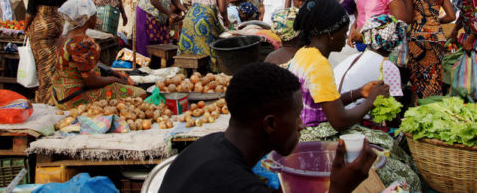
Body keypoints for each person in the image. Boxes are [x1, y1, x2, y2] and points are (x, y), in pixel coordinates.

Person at [159, 62, 377, 193]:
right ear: (271, 124)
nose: (301, 125)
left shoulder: (208, 145)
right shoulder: (240, 186)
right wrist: (339, 190)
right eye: (297, 116)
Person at [288, 0, 389, 133]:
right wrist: (371, 100)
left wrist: (359, 93)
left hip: (302, 132)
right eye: (344, 32)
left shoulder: (304, 53)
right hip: (314, 137)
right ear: (331, 35)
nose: (346, 36)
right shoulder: (319, 64)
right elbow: (339, 121)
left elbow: (325, 102)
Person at [52, 0, 145, 110]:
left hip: (61, 94)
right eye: (95, 14)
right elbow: (91, 82)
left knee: (121, 75)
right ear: (89, 18)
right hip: (76, 99)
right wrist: (114, 80)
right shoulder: (82, 43)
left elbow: (85, 65)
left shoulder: (65, 37)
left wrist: (112, 72)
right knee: (139, 93)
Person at [403, 0, 455, 101]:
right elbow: (451, 16)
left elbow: (407, 19)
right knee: (434, 78)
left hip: (418, 41)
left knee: (418, 79)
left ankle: (419, 108)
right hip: (437, 40)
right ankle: (435, 107)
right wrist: (435, 21)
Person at [24, 0, 70, 104]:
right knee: (54, 64)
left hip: (40, 25)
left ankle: (44, 99)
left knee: (42, 66)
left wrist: (25, 26)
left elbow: (30, 10)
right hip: (57, 25)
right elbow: (63, 7)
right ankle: (55, 97)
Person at [178, 0, 230, 69]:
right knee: (210, 46)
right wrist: (226, 20)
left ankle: (187, 71)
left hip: (190, 17)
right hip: (205, 18)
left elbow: (194, 3)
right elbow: (222, 8)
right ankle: (210, 71)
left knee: (191, 47)